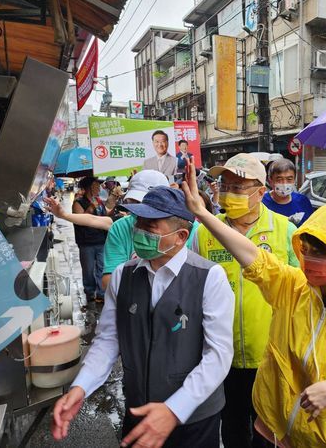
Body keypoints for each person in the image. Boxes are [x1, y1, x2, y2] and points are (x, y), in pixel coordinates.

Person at [182, 161, 326, 447]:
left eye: (322, 253)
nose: (309, 261)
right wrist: (202, 214)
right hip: (275, 429)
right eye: (306, 251)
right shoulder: (292, 288)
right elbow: (252, 257)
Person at [51, 187, 235, 447]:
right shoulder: (122, 276)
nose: (138, 230)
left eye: (150, 225)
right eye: (138, 222)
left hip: (193, 419)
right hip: (138, 410)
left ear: (181, 236)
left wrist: (175, 409)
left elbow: (218, 355)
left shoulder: (209, 278)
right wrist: (81, 387)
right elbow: (108, 340)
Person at [190, 153, 299, 448]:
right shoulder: (203, 233)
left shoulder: (286, 231)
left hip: (271, 356)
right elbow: (191, 288)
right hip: (223, 357)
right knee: (233, 428)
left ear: (261, 193)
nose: (229, 193)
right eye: (224, 186)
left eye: (238, 188)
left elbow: (302, 296)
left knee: (268, 432)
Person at [101, 170, 201, 291]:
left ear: (181, 236)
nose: (139, 213)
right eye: (133, 203)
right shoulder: (120, 228)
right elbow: (109, 282)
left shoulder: (195, 230)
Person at [73, 177, 108, 304]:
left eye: (99, 185)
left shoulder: (99, 200)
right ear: (89, 187)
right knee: (88, 269)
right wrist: (91, 207)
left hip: (101, 240)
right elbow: (79, 220)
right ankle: (89, 291)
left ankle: (101, 293)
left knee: (102, 268)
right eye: (96, 185)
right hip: (86, 242)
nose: (99, 188)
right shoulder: (78, 202)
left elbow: (106, 216)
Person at [262, 158, 313, 226]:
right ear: (270, 180)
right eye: (279, 179)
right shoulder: (261, 202)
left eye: (289, 179)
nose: (284, 183)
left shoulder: (303, 201)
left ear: (294, 180)